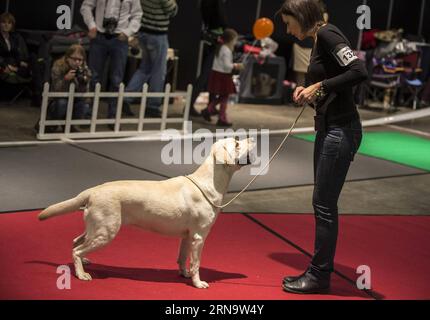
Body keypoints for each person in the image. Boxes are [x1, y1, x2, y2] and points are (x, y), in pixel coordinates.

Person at [279, 0, 368, 294]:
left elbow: (358, 71)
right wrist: (309, 91)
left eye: (288, 21)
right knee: (322, 204)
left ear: (301, 17)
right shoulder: (319, 39)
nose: (287, 28)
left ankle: (319, 276)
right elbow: (331, 81)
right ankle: (319, 272)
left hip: (341, 130)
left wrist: (320, 86)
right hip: (330, 128)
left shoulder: (329, 34)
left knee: (324, 206)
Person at [80, 0, 143, 119]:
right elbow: (86, 7)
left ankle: (113, 115)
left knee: (116, 79)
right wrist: (91, 25)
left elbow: (137, 14)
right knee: (92, 76)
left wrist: (128, 32)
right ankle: (87, 112)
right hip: (99, 36)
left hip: (120, 39)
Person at [123, 0, 178, 118]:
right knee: (158, 72)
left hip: (144, 32)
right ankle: (153, 105)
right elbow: (172, 10)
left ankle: (126, 98)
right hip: (157, 34)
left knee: (145, 68)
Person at [189, 0, 229, 116]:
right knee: (207, 75)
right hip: (217, 40)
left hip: (211, 38)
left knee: (210, 74)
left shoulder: (204, 3)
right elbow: (222, 21)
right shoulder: (216, 3)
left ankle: (210, 106)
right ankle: (191, 106)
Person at [200, 28, 243, 127]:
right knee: (224, 97)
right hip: (223, 76)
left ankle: (210, 110)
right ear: (231, 40)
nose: (236, 42)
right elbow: (227, 66)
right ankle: (221, 117)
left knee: (223, 97)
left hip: (217, 74)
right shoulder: (226, 51)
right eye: (235, 40)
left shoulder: (221, 48)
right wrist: (237, 66)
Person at [48, 44, 92, 132]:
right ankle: (51, 124)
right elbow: (56, 87)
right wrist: (65, 79)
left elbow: (85, 93)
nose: (77, 62)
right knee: (62, 103)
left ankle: (69, 124)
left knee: (84, 106)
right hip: (58, 99)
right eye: (74, 59)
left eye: (80, 60)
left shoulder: (84, 69)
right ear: (67, 57)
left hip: (75, 99)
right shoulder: (58, 66)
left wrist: (83, 80)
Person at [0, 12, 31, 100]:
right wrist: (5, 65)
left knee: (33, 61)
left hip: (14, 64)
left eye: (9, 23)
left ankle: (38, 94)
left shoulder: (15, 37)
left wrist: (21, 61)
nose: (6, 25)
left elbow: (18, 52)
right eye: (3, 22)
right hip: (3, 64)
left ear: (12, 25)